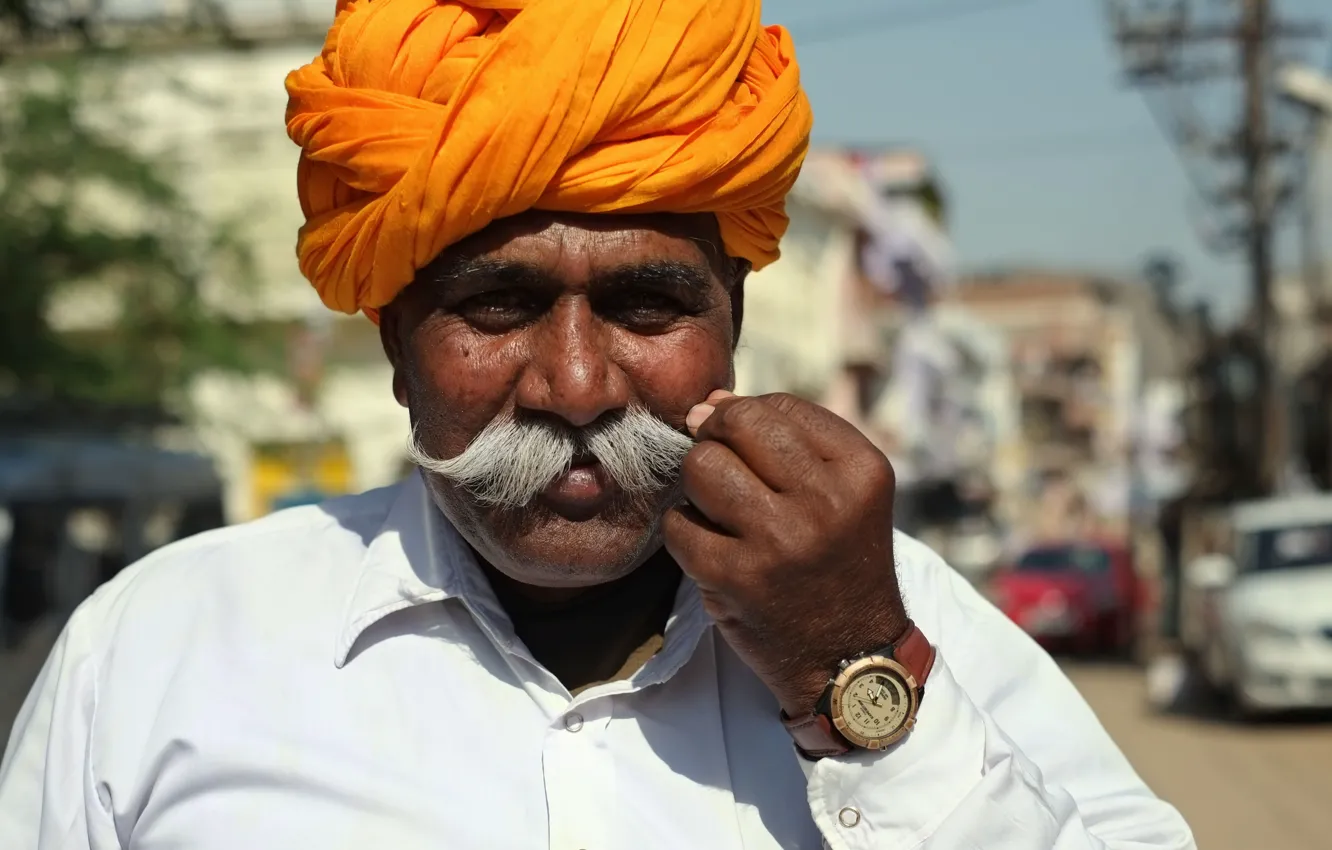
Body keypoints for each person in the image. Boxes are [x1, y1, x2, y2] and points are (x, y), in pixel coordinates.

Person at [0, 2, 1195, 848]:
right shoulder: (158, 655)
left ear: (731, 322)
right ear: (396, 344)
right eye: (498, 305)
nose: (575, 385)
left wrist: (858, 685)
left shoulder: (898, 614)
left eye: (645, 306)